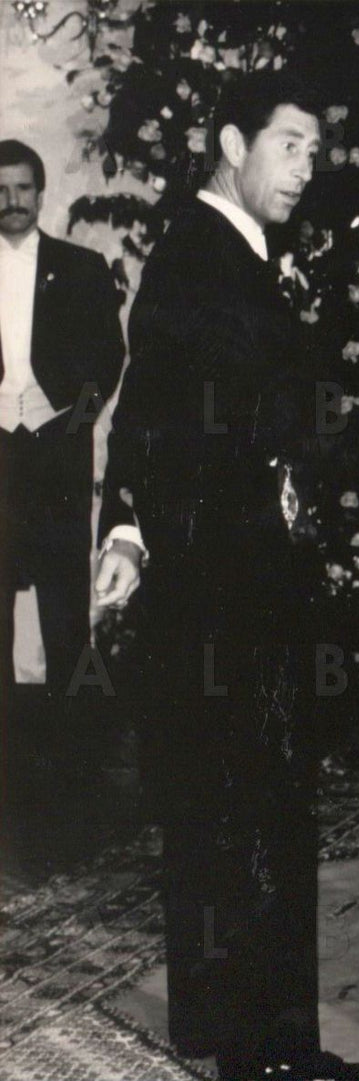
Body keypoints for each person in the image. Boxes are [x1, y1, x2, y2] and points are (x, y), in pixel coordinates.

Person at [92, 72, 359, 1081]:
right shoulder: (206, 263)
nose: (309, 166)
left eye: (314, 147)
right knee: (252, 813)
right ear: (230, 140)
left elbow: (151, 420)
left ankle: (240, 1036)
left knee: (234, 813)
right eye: (291, 143)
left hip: (228, 583)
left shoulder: (223, 255)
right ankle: (265, 1054)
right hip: (231, 587)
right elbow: (197, 429)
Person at [0, 138, 125, 797]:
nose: (11, 201)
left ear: (40, 194)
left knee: (63, 610)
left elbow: (110, 353)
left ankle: (73, 763)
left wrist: (71, 421)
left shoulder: (79, 268)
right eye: (1, 189)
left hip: (55, 457)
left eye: (23, 188)